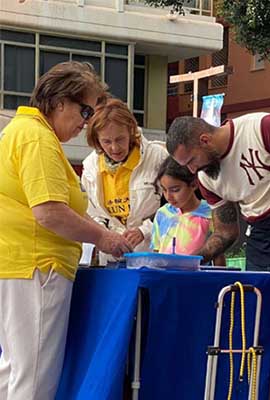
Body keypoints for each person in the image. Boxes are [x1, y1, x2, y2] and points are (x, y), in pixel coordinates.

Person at [0, 61, 131, 400]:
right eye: (85, 110)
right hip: (37, 265)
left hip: (20, 263)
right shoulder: (37, 137)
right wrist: (104, 237)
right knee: (34, 380)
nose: (86, 122)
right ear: (60, 102)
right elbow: (49, 212)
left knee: (15, 370)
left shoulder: (22, 130)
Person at [166, 111, 270, 400]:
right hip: (259, 247)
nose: (191, 171)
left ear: (204, 139)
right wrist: (192, 260)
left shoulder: (263, 128)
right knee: (264, 343)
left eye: (191, 160)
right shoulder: (207, 177)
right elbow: (226, 232)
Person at [82, 98, 168, 265]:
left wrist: (145, 230)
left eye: (120, 139)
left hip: (150, 255)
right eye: (106, 141)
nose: (114, 148)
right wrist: (104, 235)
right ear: (97, 140)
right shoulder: (90, 167)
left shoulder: (157, 157)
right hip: (109, 257)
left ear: (131, 131)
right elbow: (92, 213)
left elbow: (176, 207)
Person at [151, 156, 225, 265]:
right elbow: (156, 251)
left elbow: (218, 254)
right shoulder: (162, 214)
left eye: (175, 190)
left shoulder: (210, 213)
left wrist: (220, 280)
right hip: (166, 278)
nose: (168, 196)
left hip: (197, 278)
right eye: (164, 190)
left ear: (194, 184)